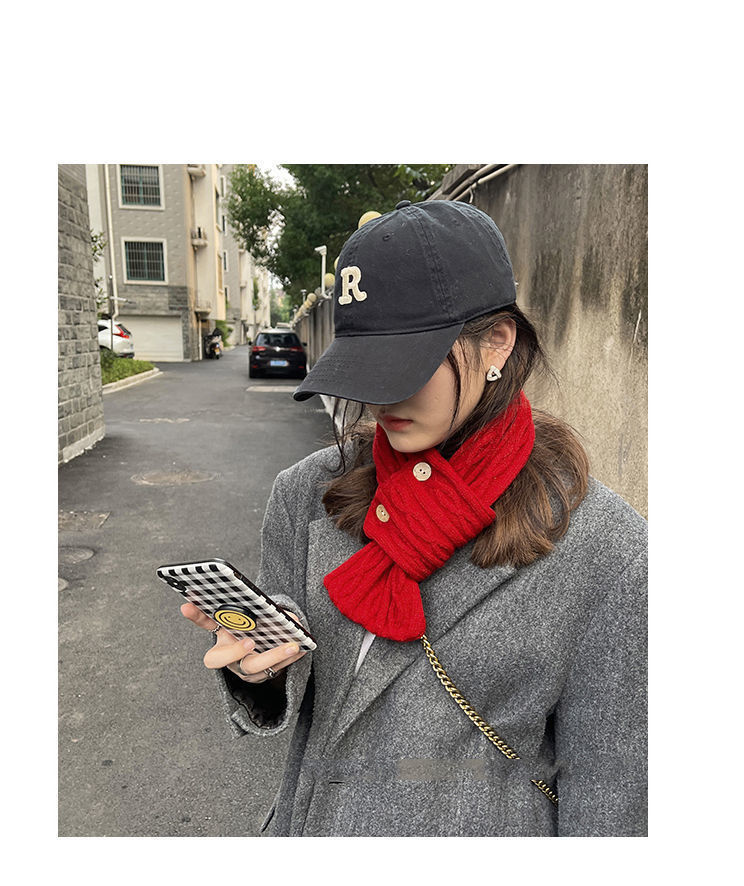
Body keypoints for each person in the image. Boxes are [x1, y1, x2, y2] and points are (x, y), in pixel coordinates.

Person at [181, 199, 647, 837]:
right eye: (364, 367)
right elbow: (307, 692)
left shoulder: (607, 550)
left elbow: (612, 794)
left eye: (405, 364)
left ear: (497, 342)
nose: (380, 396)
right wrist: (258, 667)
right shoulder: (306, 494)